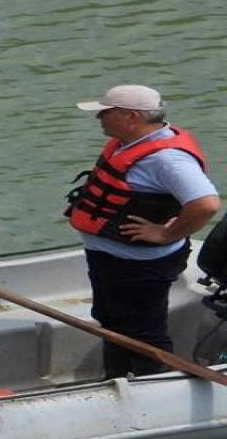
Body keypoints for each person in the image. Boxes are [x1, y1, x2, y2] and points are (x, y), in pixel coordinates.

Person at [67, 85, 220, 378]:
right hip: (111, 261)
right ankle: (116, 379)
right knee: (113, 323)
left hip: (138, 268)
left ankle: (153, 384)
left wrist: (166, 234)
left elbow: (206, 204)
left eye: (105, 112)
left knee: (144, 334)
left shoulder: (168, 159)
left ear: (131, 116)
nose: (99, 118)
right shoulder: (128, 143)